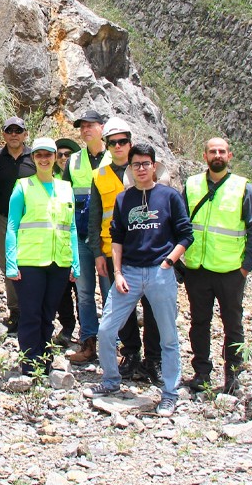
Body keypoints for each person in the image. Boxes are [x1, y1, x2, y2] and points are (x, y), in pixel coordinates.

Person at [82, 144, 193, 418]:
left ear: (154, 166)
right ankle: (110, 380)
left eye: (146, 163)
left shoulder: (169, 197)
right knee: (107, 329)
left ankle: (169, 393)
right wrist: (117, 272)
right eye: (136, 164)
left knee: (168, 336)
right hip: (128, 272)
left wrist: (169, 262)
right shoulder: (124, 199)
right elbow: (116, 238)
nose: (141, 168)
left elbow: (185, 235)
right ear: (130, 169)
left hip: (160, 271)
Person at [182, 138, 252, 395]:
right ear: (204, 156)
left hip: (230, 271)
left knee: (233, 324)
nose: (217, 155)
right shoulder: (192, 185)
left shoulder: (243, 188)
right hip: (198, 269)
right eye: (212, 151)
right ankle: (201, 373)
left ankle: (233, 376)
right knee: (199, 323)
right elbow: (181, 223)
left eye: (222, 151)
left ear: (229, 155)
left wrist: (246, 267)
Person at [85, 118, 161, 385]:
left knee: (152, 309)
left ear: (130, 142)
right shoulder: (99, 175)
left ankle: (153, 359)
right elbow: (94, 219)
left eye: (122, 141)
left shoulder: (143, 171)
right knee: (122, 308)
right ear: (106, 145)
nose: (118, 146)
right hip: (111, 252)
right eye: (112, 142)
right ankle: (130, 353)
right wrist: (97, 253)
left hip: (147, 252)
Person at [5, 137, 78, 375]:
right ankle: (29, 363)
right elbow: (12, 226)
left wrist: (75, 263)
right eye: (39, 155)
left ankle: (44, 361)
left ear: (56, 157)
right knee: (31, 314)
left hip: (59, 261)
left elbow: (72, 227)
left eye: (49, 155)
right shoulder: (23, 186)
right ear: (33, 158)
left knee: (48, 315)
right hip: (30, 262)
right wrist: (10, 262)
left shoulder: (66, 188)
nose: (44, 159)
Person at [64, 110, 113, 365]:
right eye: (82, 127)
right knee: (83, 293)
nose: (85, 130)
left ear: (102, 128)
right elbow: (64, 197)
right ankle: (88, 343)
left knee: (110, 294)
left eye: (90, 125)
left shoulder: (114, 157)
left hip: (107, 240)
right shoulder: (74, 161)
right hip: (81, 237)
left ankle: (112, 345)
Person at [0, 116, 36, 333]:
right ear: (4, 134)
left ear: (25, 134)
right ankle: (15, 311)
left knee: (30, 264)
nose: (14, 134)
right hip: (3, 219)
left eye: (19, 130)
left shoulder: (35, 158)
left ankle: (31, 310)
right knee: (8, 263)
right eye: (10, 130)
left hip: (31, 220)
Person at [53, 138, 81, 346]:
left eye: (68, 155)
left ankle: (87, 331)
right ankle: (67, 326)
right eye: (60, 154)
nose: (63, 158)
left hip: (81, 238)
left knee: (82, 288)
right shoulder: (49, 178)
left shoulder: (80, 177)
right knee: (62, 289)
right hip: (57, 241)